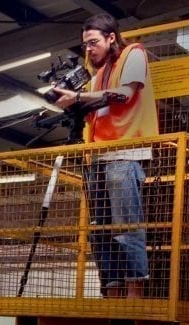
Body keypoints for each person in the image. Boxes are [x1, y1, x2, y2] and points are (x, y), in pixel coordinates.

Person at [53, 14, 159, 298]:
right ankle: (112, 292)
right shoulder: (97, 76)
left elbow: (124, 95)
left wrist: (76, 98)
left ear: (111, 37)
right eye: (85, 44)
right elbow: (94, 109)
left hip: (125, 152)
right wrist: (69, 104)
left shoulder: (133, 54)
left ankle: (135, 292)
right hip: (97, 156)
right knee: (100, 231)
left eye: (93, 42)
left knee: (126, 226)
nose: (89, 49)